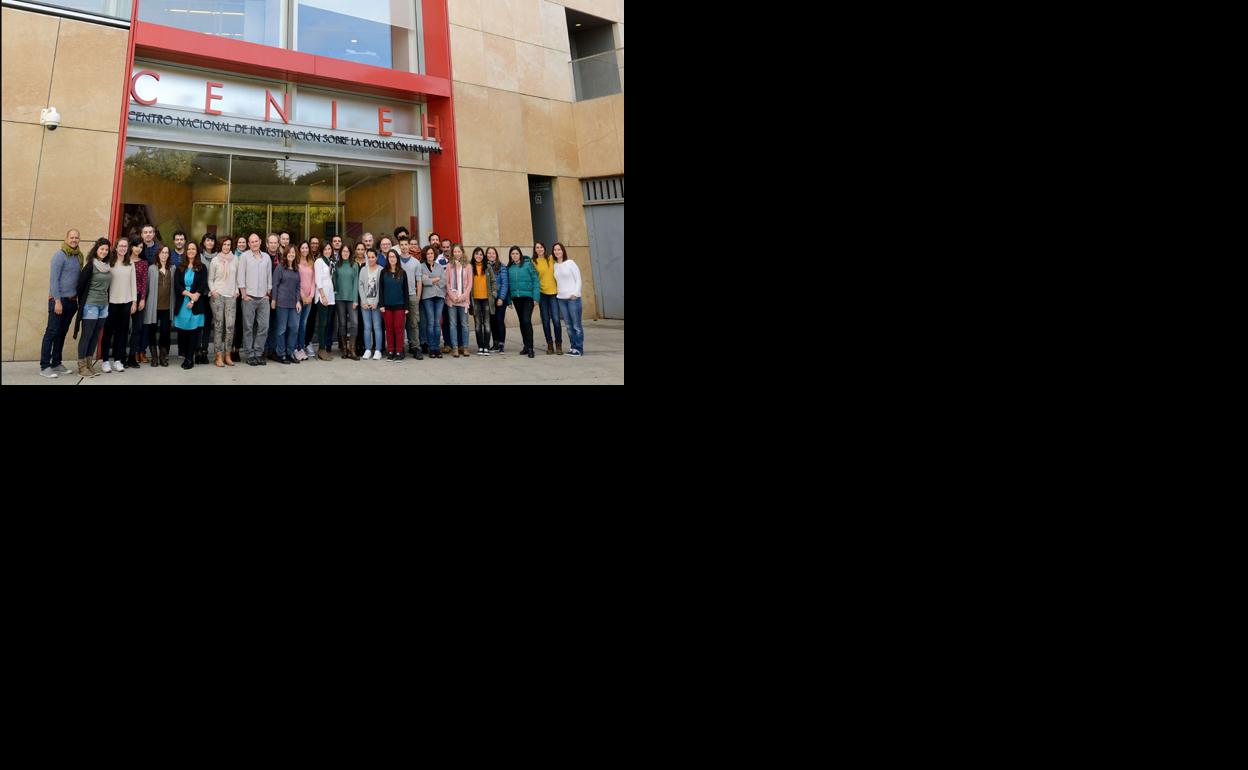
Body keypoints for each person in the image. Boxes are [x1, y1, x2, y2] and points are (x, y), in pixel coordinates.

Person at [39, 228, 83, 378]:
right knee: (51, 332)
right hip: (59, 301)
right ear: (66, 239)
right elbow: (53, 281)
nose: (74, 240)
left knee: (61, 334)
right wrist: (57, 301)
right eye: (71, 237)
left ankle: (56, 363)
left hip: (71, 302)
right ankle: (45, 366)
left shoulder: (78, 257)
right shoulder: (60, 255)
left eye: (76, 237)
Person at [71, 238, 111, 378]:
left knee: (95, 336)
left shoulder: (107, 266)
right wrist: (83, 303)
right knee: (87, 335)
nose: (104, 252)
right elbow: (80, 287)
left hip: (103, 306)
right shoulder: (90, 266)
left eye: (106, 249)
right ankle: (82, 367)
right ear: (96, 249)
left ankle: (89, 364)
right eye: (102, 249)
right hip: (90, 305)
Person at [100, 234, 138, 373]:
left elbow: (133, 284)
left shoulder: (130, 263)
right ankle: (105, 361)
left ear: (128, 249)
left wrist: (134, 301)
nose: (123, 248)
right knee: (108, 332)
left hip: (126, 302)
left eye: (125, 246)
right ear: (115, 247)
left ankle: (118, 360)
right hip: (111, 303)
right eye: (120, 246)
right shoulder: (109, 262)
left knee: (122, 333)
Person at [238, 232, 272, 366]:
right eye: (251, 242)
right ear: (248, 244)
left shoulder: (266, 257)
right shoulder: (244, 257)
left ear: (260, 242)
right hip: (249, 298)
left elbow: (269, 276)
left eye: (256, 241)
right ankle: (249, 354)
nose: (254, 243)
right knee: (248, 327)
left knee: (264, 326)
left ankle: (258, 353)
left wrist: (268, 293)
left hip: (263, 299)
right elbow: (241, 277)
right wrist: (244, 294)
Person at [172, 242, 208, 369]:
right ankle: (184, 354)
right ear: (186, 251)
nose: (191, 251)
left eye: (193, 249)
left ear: (197, 251)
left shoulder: (202, 267)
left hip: (196, 304)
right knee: (183, 331)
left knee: (193, 331)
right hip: (183, 303)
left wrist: (194, 299)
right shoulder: (180, 267)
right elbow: (177, 286)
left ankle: (189, 358)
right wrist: (189, 295)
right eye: (189, 249)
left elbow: (203, 285)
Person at [208, 234, 239, 367]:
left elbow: (238, 278)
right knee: (219, 326)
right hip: (218, 296)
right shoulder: (215, 260)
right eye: (224, 244)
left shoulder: (236, 259)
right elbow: (210, 279)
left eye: (228, 244)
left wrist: (236, 291)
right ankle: (218, 355)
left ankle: (228, 354)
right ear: (220, 245)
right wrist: (213, 291)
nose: (226, 247)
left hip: (231, 296)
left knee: (230, 327)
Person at [143, 245, 176, 367]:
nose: (164, 255)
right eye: (162, 252)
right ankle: (154, 357)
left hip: (167, 306)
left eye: (167, 252)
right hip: (153, 306)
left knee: (165, 332)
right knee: (151, 331)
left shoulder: (173, 269)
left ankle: (163, 356)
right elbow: (146, 288)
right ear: (158, 254)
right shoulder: (151, 269)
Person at [506, 245, 540, 358]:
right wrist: (509, 300)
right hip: (516, 298)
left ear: (520, 254)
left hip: (528, 297)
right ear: (510, 256)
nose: (514, 255)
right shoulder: (509, 268)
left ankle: (530, 348)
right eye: (512, 254)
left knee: (526, 320)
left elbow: (536, 280)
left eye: (516, 253)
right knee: (522, 321)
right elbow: (508, 285)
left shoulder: (528, 264)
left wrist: (536, 297)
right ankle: (526, 346)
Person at [271, 245, 303, 364]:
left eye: (293, 253)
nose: (291, 254)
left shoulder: (296, 269)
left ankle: (290, 353)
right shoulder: (280, 267)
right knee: (281, 330)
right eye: (289, 253)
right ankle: (281, 354)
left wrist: (298, 301)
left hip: (294, 304)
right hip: (282, 303)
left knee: (294, 328)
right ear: (285, 254)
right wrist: (274, 300)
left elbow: (298, 286)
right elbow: (275, 284)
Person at [552, 242, 584, 357]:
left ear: (563, 251)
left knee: (576, 325)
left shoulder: (570, 263)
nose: (557, 251)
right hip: (561, 299)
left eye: (559, 249)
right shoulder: (555, 265)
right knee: (569, 326)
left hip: (573, 299)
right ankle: (573, 347)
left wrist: (576, 293)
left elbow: (578, 279)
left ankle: (579, 348)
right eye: (555, 250)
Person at [531, 241, 563, 355]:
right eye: (537, 247)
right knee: (545, 320)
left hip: (553, 293)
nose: (539, 249)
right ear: (535, 250)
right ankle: (549, 344)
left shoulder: (551, 259)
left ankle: (558, 344)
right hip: (542, 294)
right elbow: (533, 279)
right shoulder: (533, 262)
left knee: (556, 320)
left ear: (544, 248)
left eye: (541, 247)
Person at [380, 248, 411, 361]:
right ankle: (391, 351)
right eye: (390, 257)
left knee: (398, 329)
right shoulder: (383, 272)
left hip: (400, 305)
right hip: (387, 306)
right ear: (387, 259)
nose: (392, 259)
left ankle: (399, 351)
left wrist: (406, 307)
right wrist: (381, 305)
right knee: (389, 329)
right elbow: (381, 289)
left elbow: (406, 290)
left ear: (397, 259)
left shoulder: (403, 273)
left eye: (394, 257)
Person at [444, 243, 472, 358]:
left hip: (463, 300)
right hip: (452, 300)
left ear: (462, 252)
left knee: (464, 324)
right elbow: (447, 283)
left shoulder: (468, 266)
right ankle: (455, 347)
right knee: (452, 324)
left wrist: (463, 297)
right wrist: (452, 296)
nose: (456, 254)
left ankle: (465, 347)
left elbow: (470, 284)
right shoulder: (449, 265)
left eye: (458, 251)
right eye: (454, 252)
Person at [417, 245, 446, 359]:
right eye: (428, 254)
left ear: (434, 254)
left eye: (432, 253)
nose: (430, 255)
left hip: (439, 297)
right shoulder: (421, 266)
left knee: (437, 323)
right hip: (427, 297)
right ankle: (431, 348)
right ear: (425, 255)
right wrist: (435, 279)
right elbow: (423, 281)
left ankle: (436, 347)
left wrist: (431, 280)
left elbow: (444, 281)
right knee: (430, 322)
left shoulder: (439, 266)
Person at [468, 247, 497, 356]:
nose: (478, 256)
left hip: (486, 300)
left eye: (480, 254)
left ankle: (486, 346)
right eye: (476, 254)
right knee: (478, 324)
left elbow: (493, 282)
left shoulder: (488, 267)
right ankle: (480, 346)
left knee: (487, 323)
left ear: (483, 256)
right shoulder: (470, 267)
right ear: (473, 255)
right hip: (475, 300)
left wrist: (494, 294)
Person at [334, 244, 361, 360]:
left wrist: (355, 299)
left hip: (351, 299)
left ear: (350, 253)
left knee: (354, 323)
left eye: (347, 251)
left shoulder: (354, 265)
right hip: (339, 298)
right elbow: (334, 281)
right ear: (340, 253)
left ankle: (352, 349)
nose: (345, 253)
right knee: (342, 324)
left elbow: (356, 283)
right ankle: (344, 350)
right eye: (343, 251)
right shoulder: (336, 265)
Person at [126, 239, 150, 365]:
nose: (138, 249)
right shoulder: (124, 261)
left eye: (141, 247)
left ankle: (132, 356)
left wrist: (142, 299)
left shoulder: (144, 263)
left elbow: (144, 282)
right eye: (136, 246)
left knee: (137, 327)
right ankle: (121, 355)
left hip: (139, 296)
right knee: (124, 327)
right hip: (124, 297)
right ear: (131, 247)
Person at [196, 233, 219, 364]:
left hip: (213, 295)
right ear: (204, 242)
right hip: (201, 295)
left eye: (212, 241)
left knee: (208, 325)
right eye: (208, 240)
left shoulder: (218, 256)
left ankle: (204, 351)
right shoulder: (199, 256)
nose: (210, 243)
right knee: (200, 323)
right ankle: (197, 351)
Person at [358, 249, 384, 360]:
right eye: (369, 257)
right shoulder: (363, 270)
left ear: (376, 258)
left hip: (376, 304)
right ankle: (368, 349)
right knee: (367, 327)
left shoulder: (381, 270)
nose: (371, 259)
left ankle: (378, 350)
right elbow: (360, 285)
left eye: (373, 257)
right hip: (365, 304)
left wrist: (376, 302)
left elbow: (381, 288)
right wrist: (363, 301)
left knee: (377, 327)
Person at [398, 238, 422, 358]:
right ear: (399, 246)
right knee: (400, 324)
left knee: (413, 323)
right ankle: (400, 348)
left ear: (409, 246)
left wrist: (417, 297)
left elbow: (419, 281)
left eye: (405, 244)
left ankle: (416, 347)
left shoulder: (415, 262)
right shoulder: (395, 261)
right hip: (399, 297)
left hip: (412, 295)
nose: (404, 247)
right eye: (401, 245)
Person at [313, 242, 337, 361]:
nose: (328, 250)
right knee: (322, 323)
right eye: (325, 249)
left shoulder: (331, 261)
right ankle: (321, 349)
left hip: (331, 295)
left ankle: (324, 349)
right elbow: (318, 279)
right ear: (322, 250)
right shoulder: (319, 261)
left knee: (327, 323)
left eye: (329, 248)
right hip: (322, 295)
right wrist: (322, 296)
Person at [295, 241, 315, 361]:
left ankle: (301, 348)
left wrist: (311, 296)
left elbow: (313, 281)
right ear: (299, 249)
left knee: (303, 324)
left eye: (306, 247)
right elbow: (297, 282)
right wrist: (303, 297)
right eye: (302, 248)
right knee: (296, 324)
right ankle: (294, 348)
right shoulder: (297, 263)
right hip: (299, 298)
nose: (304, 250)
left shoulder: (311, 262)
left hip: (309, 299)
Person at [486, 246, 509, 354]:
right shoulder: (485, 267)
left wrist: (501, 298)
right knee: (492, 321)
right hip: (489, 299)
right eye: (489, 253)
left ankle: (501, 344)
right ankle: (495, 343)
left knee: (499, 320)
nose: (491, 255)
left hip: (500, 298)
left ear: (496, 255)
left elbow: (505, 284)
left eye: (493, 253)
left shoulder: (502, 267)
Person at [263, 232, 282, 361]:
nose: (273, 245)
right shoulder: (263, 257)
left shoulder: (282, 257)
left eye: (276, 242)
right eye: (271, 242)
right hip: (264, 296)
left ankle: (273, 350)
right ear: (267, 244)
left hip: (279, 296)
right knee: (264, 325)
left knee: (276, 324)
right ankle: (263, 350)